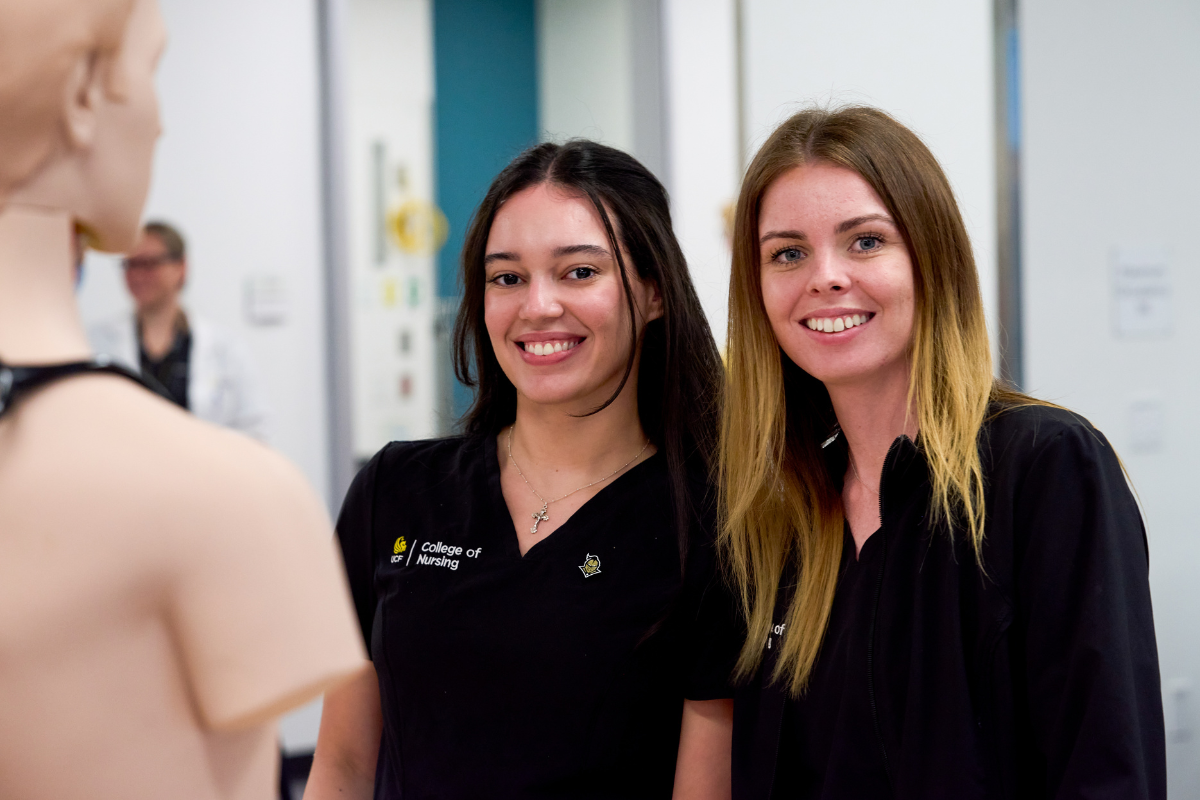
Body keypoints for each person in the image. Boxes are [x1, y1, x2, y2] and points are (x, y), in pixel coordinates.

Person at [718, 106, 1165, 798]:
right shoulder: (780, 520)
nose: (825, 277)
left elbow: (1106, 774)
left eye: (865, 242)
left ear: (933, 257)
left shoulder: (1047, 471)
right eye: (788, 253)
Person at [0, 1, 366, 797]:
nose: (162, 123)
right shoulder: (236, 502)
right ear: (81, 102)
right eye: (152, 70)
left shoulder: (219, 414)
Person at [305, 140, 738, 799]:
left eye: (578, 272)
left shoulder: (712, 524)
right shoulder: (395, 492)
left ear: (653, 293)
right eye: (507, 277)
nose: (537, 306)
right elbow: (341, 767)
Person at [89, 220, 270, 440]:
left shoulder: (225, 348)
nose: (138, 274)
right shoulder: (95, 342)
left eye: (150, 263)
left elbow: (255, 428)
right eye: (131, 264)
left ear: (181, 267)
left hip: (203, 470)